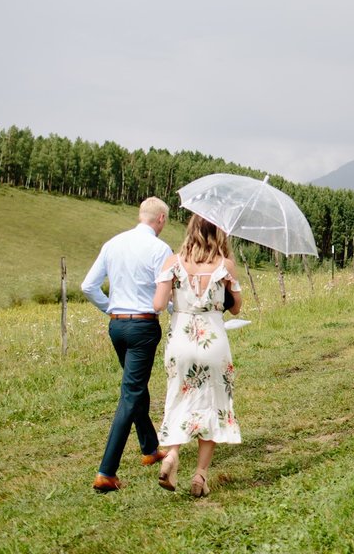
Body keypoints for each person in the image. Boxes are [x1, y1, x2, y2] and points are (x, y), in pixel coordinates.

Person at [81, 197, 173, 493]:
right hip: (143, 325)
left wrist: (111, 308)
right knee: (131, 394)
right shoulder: (160, 249)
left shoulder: (113, 243)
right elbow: (167, 295)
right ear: (160, 219)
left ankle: (150, 447)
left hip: (117, 325)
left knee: (135, 387)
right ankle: (106, 471)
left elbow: (87, 286)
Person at [152, 214, 243, 497]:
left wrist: (179, 296)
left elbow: (157, 304)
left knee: (179, 396)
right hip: (213, 340)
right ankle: (200, 475)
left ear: (191, 230)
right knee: (214, 402)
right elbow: (237, 308)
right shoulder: (225, 266)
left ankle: (172, 454)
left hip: (181, 339)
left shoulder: (173, 262)